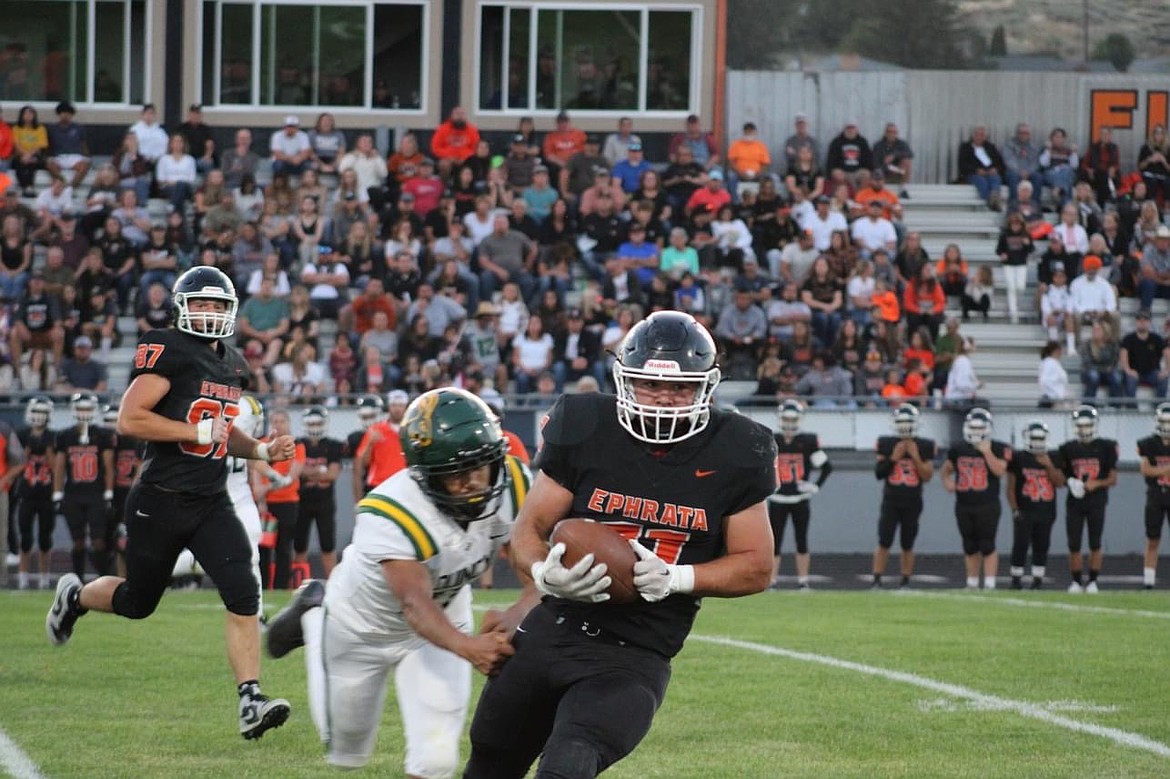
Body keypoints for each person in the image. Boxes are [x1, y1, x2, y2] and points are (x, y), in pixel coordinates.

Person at [462, 310, 777, 777]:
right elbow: (529, 530)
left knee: (569, 762)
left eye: (680, 387)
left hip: (635, 654)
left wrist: (678, 577)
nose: (664, 400)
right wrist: (544, 575)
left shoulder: (737, 449)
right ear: (624, 381)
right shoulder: (586, 424)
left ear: (706, 387)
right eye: (650, 385)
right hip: (555, 627)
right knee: (489, 760)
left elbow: (757, 566)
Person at [45, 266, 296, 740]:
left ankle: (250, 700)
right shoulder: (168, 347)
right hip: (159, 500)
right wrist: (192, 431)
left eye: (217, 305)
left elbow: (221, 426)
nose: (209, 312)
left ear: (231, 310)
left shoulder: (234, 364)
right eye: (200, 303)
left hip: (210, 500)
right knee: (139, 602)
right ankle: (75, 596)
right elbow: (130, 418)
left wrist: (261, 450)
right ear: (182, 307)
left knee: (244, 591)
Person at [264, 388, 527, 773]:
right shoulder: (391, 510)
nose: (473, 481)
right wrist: (471, 648)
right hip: (363, 625)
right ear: (427, 476)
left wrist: (522, 607)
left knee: (438, 757)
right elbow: (412, 603)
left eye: (480, 466)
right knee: (345, 751)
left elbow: (533, 565)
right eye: (456, 473)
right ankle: (315, 610)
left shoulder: (512, 481)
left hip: (444, 611)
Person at [941, 408, 1010, 590]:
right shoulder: (958, 449)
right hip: (964, 504)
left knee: (988, 544)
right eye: (973, 428)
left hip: (987, 504)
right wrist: (947, 481)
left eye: (980, 429)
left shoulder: (998, 447)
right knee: (969, 545)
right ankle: (971, 583)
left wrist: (986, 452)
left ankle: (989, 583)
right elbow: (946, 469)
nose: (976, 432)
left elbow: (1000, 471)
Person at [767, 400, 831, 590]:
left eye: (792, 419)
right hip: (778, 498)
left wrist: (815, 486)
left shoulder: (808, 441)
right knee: (774, 541)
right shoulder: (772, 440)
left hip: (800, 499)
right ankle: (771, 580)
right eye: (786, 418)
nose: (789, 422)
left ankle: (803, 581)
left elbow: (827, 467)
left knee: (801, 539)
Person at [871, 403, 935, 589]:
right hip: (891, 500)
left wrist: (915, 456)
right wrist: (894, 457)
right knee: (884, 540)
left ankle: (905, 580)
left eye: (908, 422)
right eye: (902, 422)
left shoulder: (924, 445)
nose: (905, 426)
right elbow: (879, 473)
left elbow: (927, 476)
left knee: (908, 542)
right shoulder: (887, 443)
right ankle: (877, 579)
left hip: (913, 500)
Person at [51, 393, 115, 578]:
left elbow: (109, 466)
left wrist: (109, 493)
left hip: (96, 493)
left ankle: (104, 577)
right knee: (77, 541)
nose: (84, 412)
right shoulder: (65, 435)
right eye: (80, 408)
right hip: (73, 494)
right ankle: (77, 579)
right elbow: (59, 467)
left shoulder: (103, 434)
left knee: (98, 541)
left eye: (87, 408)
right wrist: (57, 493)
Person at [1058, 405, 1118, 593]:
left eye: (1087, 425)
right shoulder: (1067, 448)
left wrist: (1096, 484)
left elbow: (1113, 478)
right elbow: (1061, 478)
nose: (1084, 429)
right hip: (1075, 502)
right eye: (1080, 426)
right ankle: (1076, 581)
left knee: (1095, 542)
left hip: (1096, 501)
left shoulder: (1106, 446)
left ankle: (1092, 581)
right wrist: (1070, 482)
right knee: (1074, 543)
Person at [1006, 421, 1065, 590]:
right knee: (1020, 544)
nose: (1038, 441)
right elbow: (1010, 486)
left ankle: (1038, 579)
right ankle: (1016, 578)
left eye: (1040, 438)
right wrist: (1015, 508)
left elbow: (1060, 482)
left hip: (1046, 509)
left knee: (1042, 544)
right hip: (1025, 508)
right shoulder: (1019, 458)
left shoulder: (1053, 457)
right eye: (1035, 438)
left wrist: (1048, 465)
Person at [295, 405, 343, 579]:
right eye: (311, 423)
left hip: (325, 503)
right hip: (301, 502)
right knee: (299, 545)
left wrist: (307, 471)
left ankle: (333, 583)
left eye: (318, 423)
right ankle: (300, 583)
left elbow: (332, 474)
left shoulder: (333, 446)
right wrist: (320, 471)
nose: (314, 427)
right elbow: (297, 471)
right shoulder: (297, 444)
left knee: (328, 546)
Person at [1138, 403, 1170, 589]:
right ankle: (1148, 580)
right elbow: (1145, 470)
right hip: (1156, 495)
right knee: (1152, 538)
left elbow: (1151, 469)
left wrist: (1158, 470)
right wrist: (1166, 470)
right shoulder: (1149, 443)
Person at [1120, 310, 1169, 401]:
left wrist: (1166, 369)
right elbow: (1123, 356)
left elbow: (1167, 353)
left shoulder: (1156, 339)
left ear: (1149, 322)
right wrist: (1128, 370)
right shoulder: (1128, 339)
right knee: (1130, 379)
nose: (1142, 322)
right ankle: (1132, 409)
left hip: (1152, 372)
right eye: (1139, 319)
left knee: (1164, 378)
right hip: (1134, 372)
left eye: (1145, 319)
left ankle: (1159, 407)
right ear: (1136, 321)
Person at [958, 125, 1005, 210]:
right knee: (981, 181)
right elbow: (962, 164)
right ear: (973, 135)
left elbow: (1000, 163)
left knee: (995, 178)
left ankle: (995, 196)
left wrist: (995, 169)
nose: (980, 137)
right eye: (978, 134)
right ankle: (991, 203)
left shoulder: (990, 147)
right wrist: (976, 170)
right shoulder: (966, 147)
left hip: (990, 173)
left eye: (982, 135)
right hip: (973, 173)